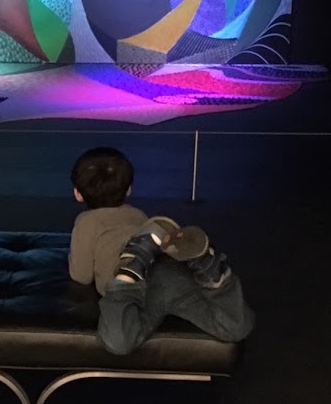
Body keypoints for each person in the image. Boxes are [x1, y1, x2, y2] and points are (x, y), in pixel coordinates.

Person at [68, 146, 254, 355]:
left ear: (78, 194)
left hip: (137, 293)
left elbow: (81, 275)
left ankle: (129, 271)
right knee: (236, 328)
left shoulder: (85, 222)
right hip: (173, 272)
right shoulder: (138, 215)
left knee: (118, 341)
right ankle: (212, 271)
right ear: (129, 189)